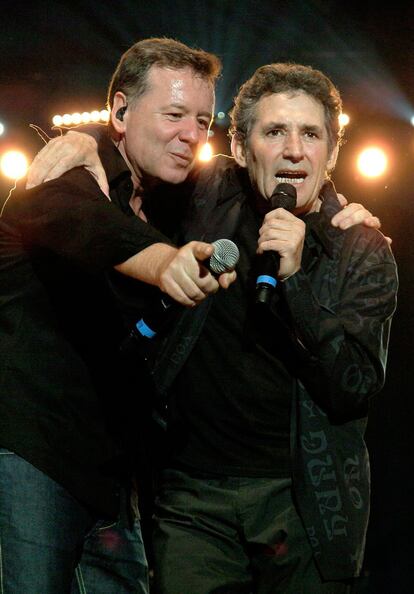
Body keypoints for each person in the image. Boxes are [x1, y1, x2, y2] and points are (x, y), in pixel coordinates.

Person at [26, 55, 390, 593]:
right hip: (192, 500)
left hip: (307, 503)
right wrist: (91, 140)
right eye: (274, 132)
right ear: (241, 148)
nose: (294, 149)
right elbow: (140, 155)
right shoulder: (203, 193)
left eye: (311, 134)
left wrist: (297, 287)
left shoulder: (360, 247)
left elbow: (355, 386)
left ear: (331, 151)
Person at [0, 37, 235, 594]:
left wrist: (333, 210)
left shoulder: (170, 198)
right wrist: (165, 264)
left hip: (112, 480)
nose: (192, 135)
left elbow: (247, 181)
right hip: (34, 458)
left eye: (203, 119)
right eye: (174, 115)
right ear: (122, 113)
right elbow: (78, 220)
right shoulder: (69, 171)